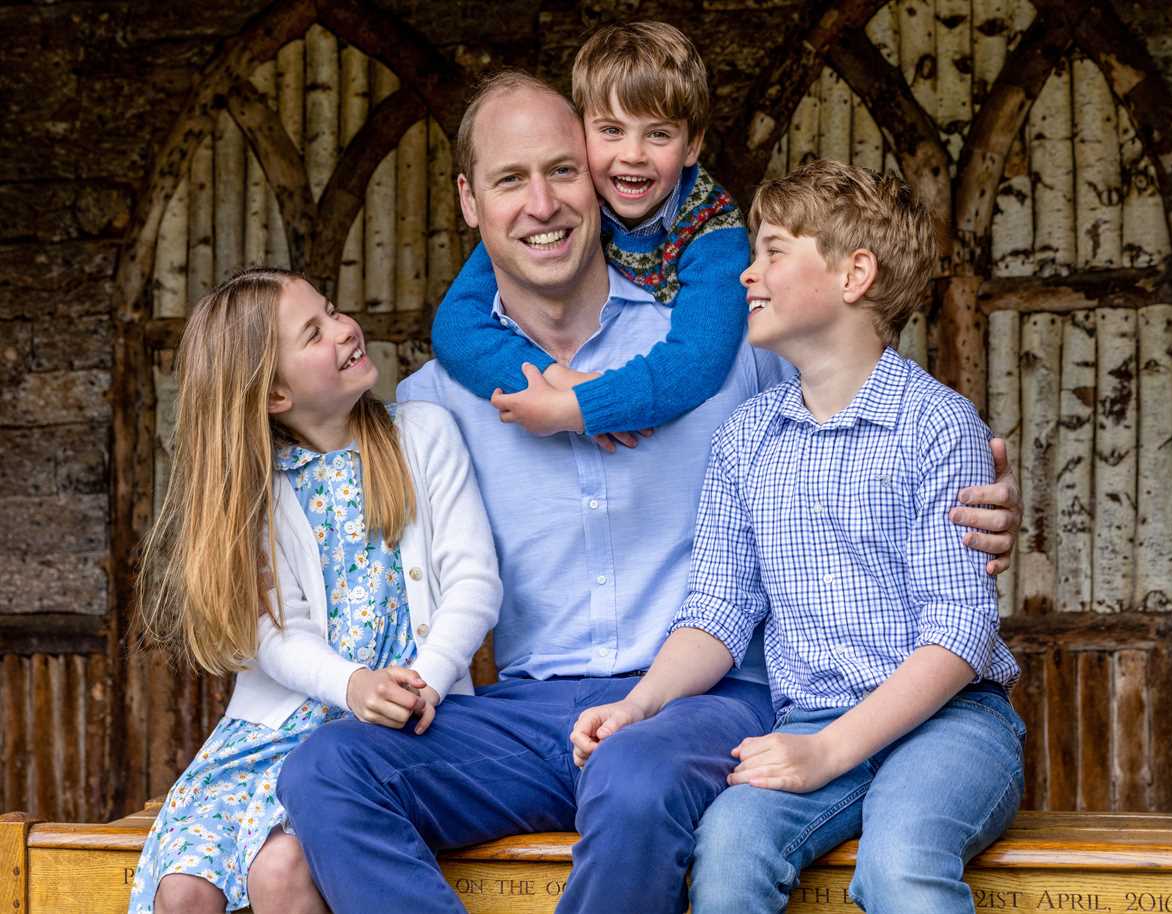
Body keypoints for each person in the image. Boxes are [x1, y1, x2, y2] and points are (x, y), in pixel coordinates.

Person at [278, 76, 1022, 914]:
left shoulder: (724, 348)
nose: (543, 203)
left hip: (709, 701)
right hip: (531, 714)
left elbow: (863, 416)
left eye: (563, 171)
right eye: (510, 180)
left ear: (598, 181)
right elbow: (314, 499)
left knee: (634, 778)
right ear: (469, 200)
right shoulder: (430, 404)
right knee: (326, 769)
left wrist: (985, 499)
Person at [570, 160, 1025, 914]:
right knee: (728, 852)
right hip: (810, 718)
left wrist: (828, 752)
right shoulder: (745, 440)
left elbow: (960, 630)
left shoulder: (937, 425)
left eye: (773, 251)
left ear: (855, 274)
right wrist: (638, 705)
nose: (748, 274)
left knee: (901, 861)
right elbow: (716, 611)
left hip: (952, 725)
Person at [127, 268, 501, 914]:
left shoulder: (423, 436)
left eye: (332, 310)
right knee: (182, 890)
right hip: (269, 737)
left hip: (400, 726)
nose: (345, 329)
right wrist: (352, 684)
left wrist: (426, 680)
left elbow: (475, 581)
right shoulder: (258, 494)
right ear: (275, 393)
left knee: (281, 871)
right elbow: (274, 636)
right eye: (315, 332)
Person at [431, 21, 748, 444]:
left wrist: (584, 407)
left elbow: (700, 360)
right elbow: (455, 328)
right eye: (611, 131)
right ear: (582, 134)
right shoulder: (575, 202)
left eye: (658, 134)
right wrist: (553, 378)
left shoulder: (714, 228)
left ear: (691, 146)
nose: (632, 155)